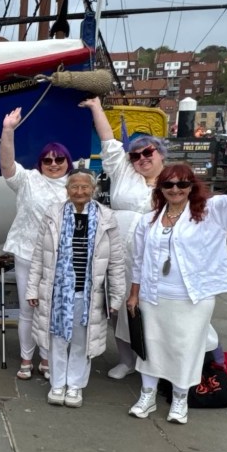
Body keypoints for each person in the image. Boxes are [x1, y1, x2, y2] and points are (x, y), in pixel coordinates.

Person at [126, 136, 227, 425]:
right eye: (169, 185)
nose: (175, 189)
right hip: (154, 296)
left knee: (187, 348)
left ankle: (180, 400)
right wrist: (134, 294)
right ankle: (147, 395)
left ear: (191, 187)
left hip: (192, 297)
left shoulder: (211, 213)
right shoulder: (148, 222)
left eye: (182, 184)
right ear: (161, 189)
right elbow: (138, 261)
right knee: (151, 346)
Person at [80, 96, 166, 380]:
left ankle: (153, 361)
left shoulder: (174, 181)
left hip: (153, 257)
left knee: (149, 309)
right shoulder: (124, 172)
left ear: (161, 154)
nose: (141, 159)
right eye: (136, 155)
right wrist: (95, 108)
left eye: (147, 153)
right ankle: (127, 359)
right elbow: (109, 143)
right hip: (116, 251)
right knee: (115, 305)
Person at [26, 171, 126, 408]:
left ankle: (75, 387)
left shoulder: (107, 218)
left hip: (89, 293)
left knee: (82, 342)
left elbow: (116, 261)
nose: (79, 192)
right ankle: (57, 384)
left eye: (85, 187)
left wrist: (116, 297)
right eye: (74, 187)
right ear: (67, 189)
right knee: (57, 339)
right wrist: (32, 289)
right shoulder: (53, 215)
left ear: (93, 190)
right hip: (57, 292)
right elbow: (40, 255)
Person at [0, 107, 71, 381]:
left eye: (59, 159)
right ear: (40, 163)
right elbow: (7, 166)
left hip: (60, 258)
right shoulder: (28, 180)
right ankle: (26, 358)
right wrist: (8, 131)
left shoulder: (77, 185)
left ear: (68, 161)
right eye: (48, 160)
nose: (53, 164)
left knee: (53, 310)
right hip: (28, 253)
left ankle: (48, 357)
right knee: (28, 309)